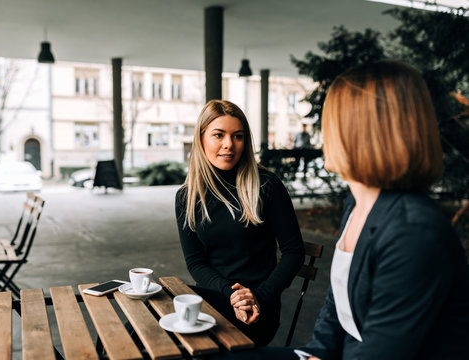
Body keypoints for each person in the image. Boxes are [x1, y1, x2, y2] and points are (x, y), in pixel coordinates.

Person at [212, 60, 469, 360]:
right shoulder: (358, 203)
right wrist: (316, 353)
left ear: (364, 133)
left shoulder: (413, 231)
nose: (324, 134)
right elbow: (338, 307)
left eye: (331, 121)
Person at [175, 99, 305, 346]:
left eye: (237, 136)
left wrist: (259, 297)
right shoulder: (187, 196)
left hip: (257, 309)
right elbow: (195, 262)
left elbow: (293, 252)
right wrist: (230, 293)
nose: (229, 145)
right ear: (201, 139)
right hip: (216, 298)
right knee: (145, 321)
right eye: (218, 135)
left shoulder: (266, 186)